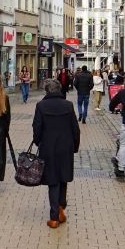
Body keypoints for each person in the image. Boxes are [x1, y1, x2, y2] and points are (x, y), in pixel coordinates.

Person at [32, 78, 80, 228]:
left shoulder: (41, 106)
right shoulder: (68, 105)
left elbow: (37, 127)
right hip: (66, 147)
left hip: (48, 148)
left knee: (53, 181)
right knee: (63, 178)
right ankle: (61, 208)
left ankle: (54, 217)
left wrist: (37, 141)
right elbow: (75, 128)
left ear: (47, 90)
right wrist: (75, 146)